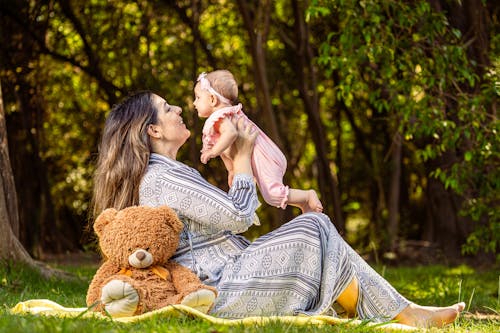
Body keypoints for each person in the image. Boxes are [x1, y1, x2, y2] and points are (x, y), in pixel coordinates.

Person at [92, 91, 465, 328]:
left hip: (225, 275)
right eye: (167, 109)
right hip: (217, 288)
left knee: (314, 228)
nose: (177, 110)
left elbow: (225, 216)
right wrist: (240, 160)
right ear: (153, 131)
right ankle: (401, 312)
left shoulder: (164, 174)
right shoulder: (163, 177)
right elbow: (238, 216)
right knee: (312, 229)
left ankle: (397, 310)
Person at [193, 70, 323, 213]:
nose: (194, 103)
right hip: (267, 155)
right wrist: (232, 170)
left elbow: (231, 134)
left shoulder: (221, 117)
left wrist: (212, 151)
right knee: (271, 196)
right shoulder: (227, 115)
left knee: (272, 195)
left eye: (198, 97)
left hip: (265, 157)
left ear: (212, 99)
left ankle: (307, 195)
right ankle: (303, 204)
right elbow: (229, 150)